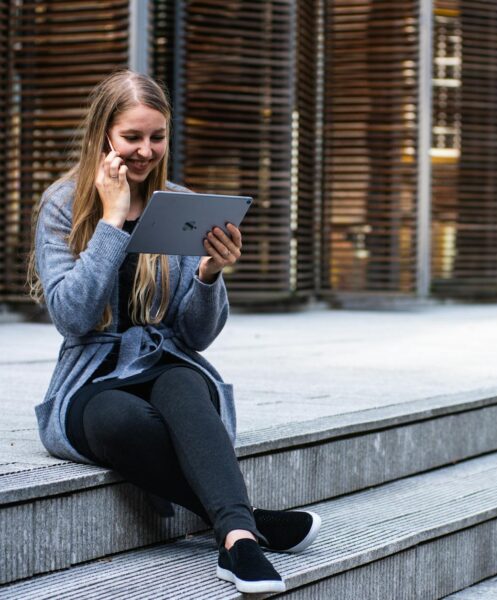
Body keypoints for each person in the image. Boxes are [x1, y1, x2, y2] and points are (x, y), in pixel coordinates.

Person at [26, 69, 320, 595]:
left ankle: (236, 542)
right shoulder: (64, 203)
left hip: (167, 362)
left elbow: (196, 336)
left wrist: (209, 275)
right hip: (91, 378)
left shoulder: (180, 203)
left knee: (185, 386)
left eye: (156, 136)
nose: (145, 150)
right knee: (121, 421)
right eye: (132, 137)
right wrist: (113, 222)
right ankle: (248, 523)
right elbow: (71, 317)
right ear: (104, 136)